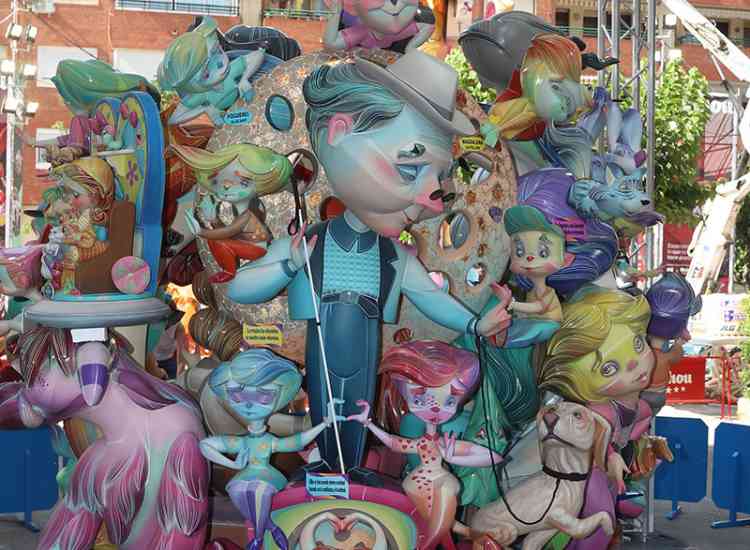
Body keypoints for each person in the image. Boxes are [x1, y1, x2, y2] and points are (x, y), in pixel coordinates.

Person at [227, 50, 510, 485]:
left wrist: (475, 324)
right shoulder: (310, 244)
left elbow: (429, 296)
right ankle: (328, 465)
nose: (431, 198)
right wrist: (287, 263)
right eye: (410, 168)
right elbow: (241, 289)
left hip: (364, 342)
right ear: (339, 132)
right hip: (322, 338)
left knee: (359, 404)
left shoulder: (394, 255)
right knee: (325, 400)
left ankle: (350, 466)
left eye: (437, 177)